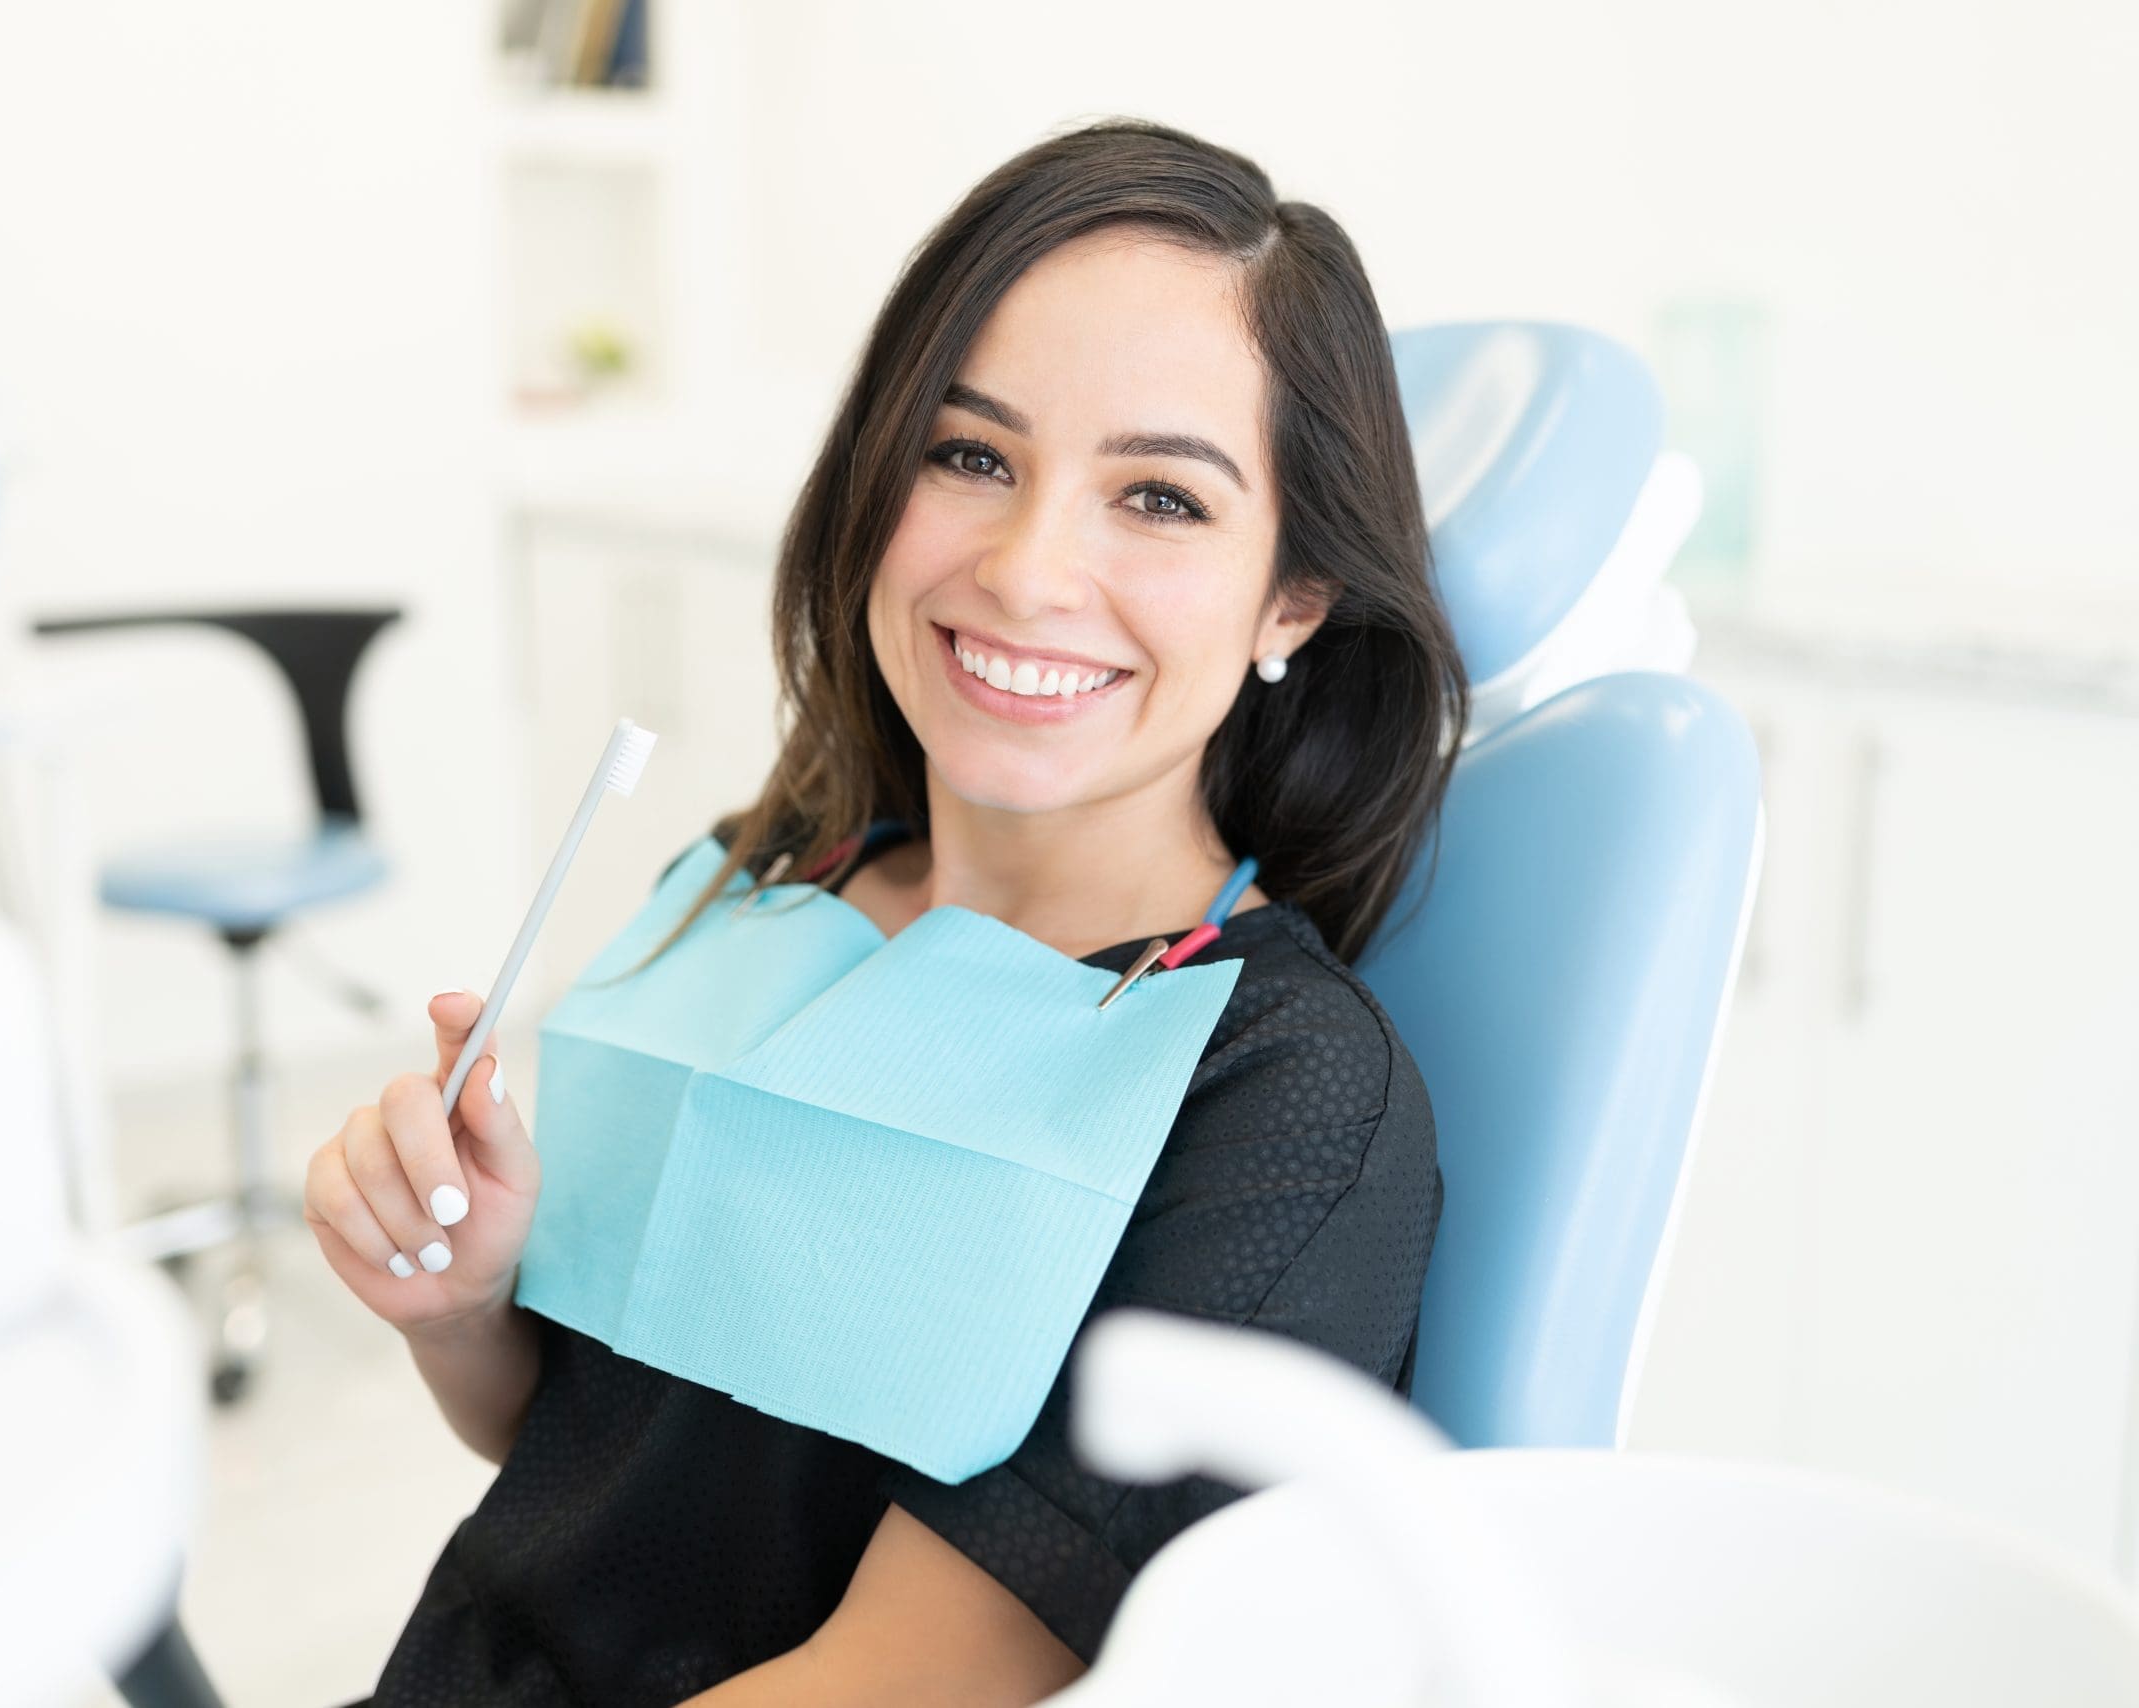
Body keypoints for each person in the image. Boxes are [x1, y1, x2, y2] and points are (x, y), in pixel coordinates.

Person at [304, 116, 1464, 1707]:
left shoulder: (1280, 1096)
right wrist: (465, 1305)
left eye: (1163, 502)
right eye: (971, 455)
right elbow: (591, 1460)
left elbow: (913, 1679)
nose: (1029, 569)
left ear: (1295, 598)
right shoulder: (759, 875)